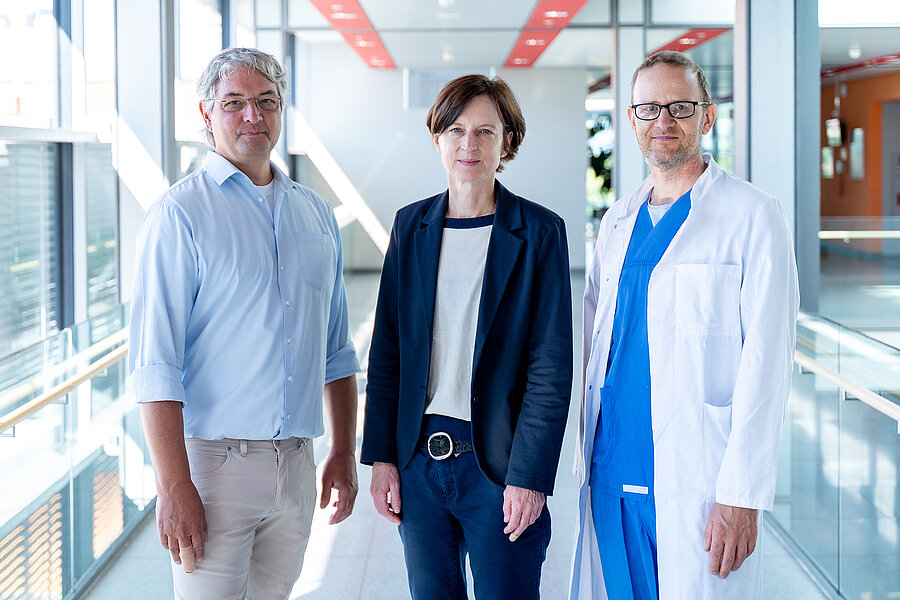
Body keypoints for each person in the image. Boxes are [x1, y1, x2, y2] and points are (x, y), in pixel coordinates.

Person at [128, 47, 360, 600]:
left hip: (297, 465)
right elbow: (156, 365)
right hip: (213, 472)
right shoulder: (178, 216)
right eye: (234, 104)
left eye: (266, 102)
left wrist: (343, 452)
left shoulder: (315, 213)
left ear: (281, 111)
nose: (252, 116)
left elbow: (337, 351)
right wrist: (174, 484)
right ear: (206, 114)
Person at [569, 51, 799, 600]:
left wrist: (742, 495)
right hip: (611, 469)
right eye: (649, 108)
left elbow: (768, 362)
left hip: (698, 478)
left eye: (679, 106)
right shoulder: (616, 223)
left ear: (708, 116)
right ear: (630, 120)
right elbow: (595, 347)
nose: (663, 121)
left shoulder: (751, 215)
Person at [361, 74, 573, 599]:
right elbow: (387, 351)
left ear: (508, 142)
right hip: (418, 462)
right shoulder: (411, 227)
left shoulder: (540, 232)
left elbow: (550, 369)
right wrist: (384, 457)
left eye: (485, 131)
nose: (469, 145)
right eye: (455, 130)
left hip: (498, 467)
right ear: (437, 138)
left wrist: (530, 477)